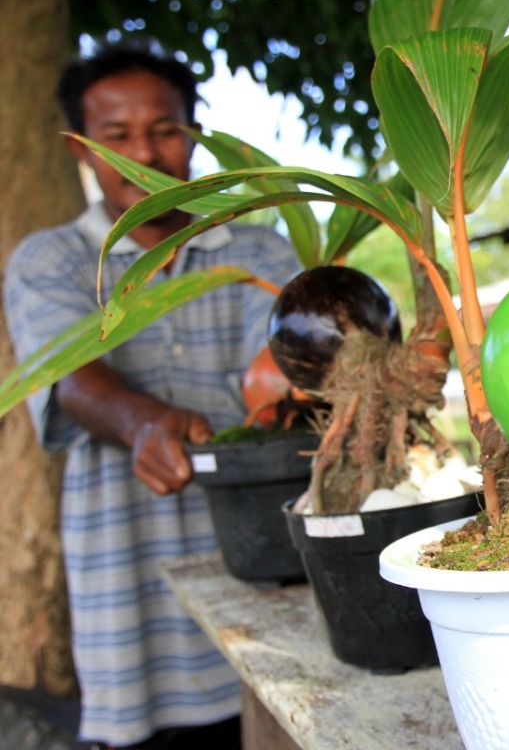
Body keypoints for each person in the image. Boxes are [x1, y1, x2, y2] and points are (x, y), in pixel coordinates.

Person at [3, 44, 300, 749]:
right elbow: (70, 377)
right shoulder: (55, 260)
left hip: (268, 584)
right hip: (126, 586)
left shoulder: (260, 256)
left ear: (194, 133)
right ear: (84, 147)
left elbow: (291, 379)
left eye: (165, 130)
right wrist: (144, 423)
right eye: (117, 135)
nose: (147, 152)